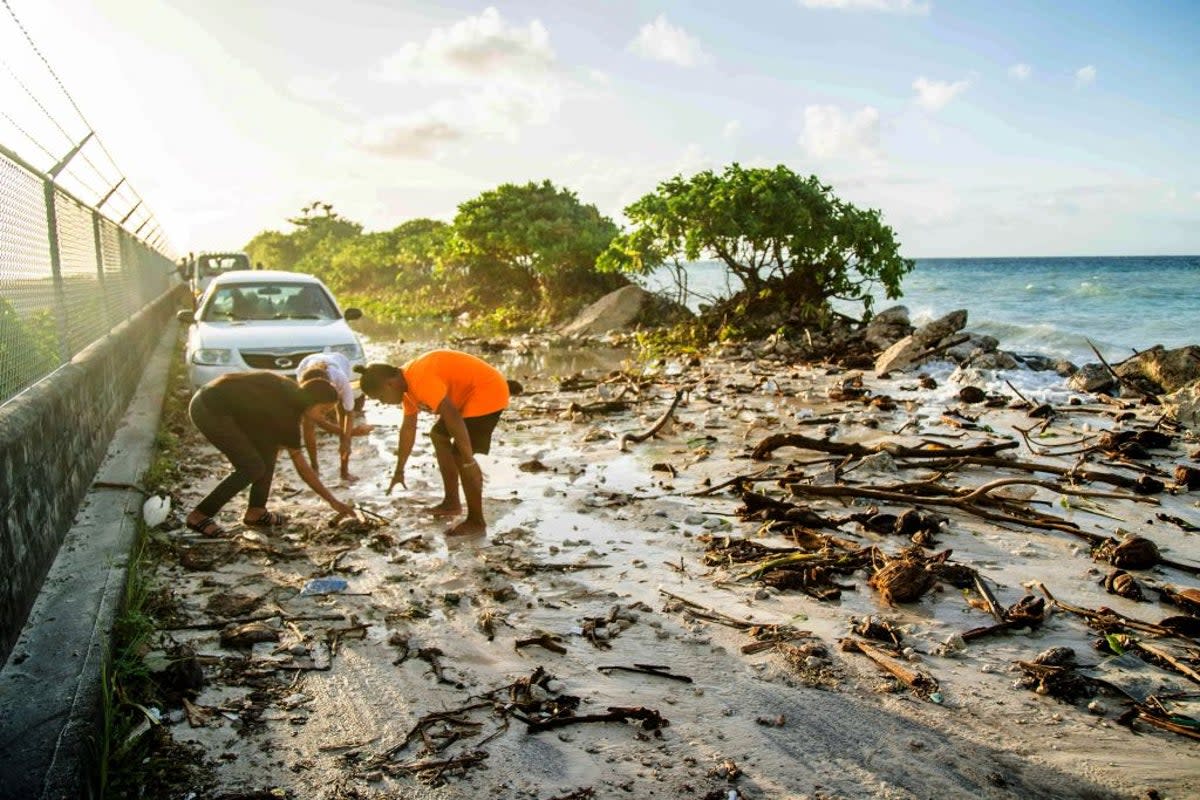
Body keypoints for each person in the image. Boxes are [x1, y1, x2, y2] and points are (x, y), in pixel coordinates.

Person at [356, 351, 510, 537]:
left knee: (460, 455)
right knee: (438, 435)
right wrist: (399, 470)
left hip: (488, 390)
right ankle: (452, 502)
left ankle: (476, 521)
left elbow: (451, 414)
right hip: (465, 396)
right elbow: (408, 430)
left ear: (389, 384)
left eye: (381, 397)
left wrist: (468, 459)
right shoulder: (406, 387)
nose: (384, 403)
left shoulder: (420, 379)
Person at [184, 371, 355, 536]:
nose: (322, 418)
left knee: (269, 451)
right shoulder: (287, 415)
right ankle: (199, 515)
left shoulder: (292, 392)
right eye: (323, 411)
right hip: (209, 408)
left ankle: (256, 511)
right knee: (251, 467)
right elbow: (303, 468)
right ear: (311, 401)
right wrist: (332, 501)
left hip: (227, 407)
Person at [295, 352, 367, 481]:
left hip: (340, 362)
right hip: (306, 363)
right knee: (309, 421)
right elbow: (310, 422)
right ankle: (315, 468)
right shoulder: (303, 379)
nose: (324, 414)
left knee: (341, 412)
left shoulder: (341, 381)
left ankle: (344, 472)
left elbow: (348, 414)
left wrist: (346, 440)